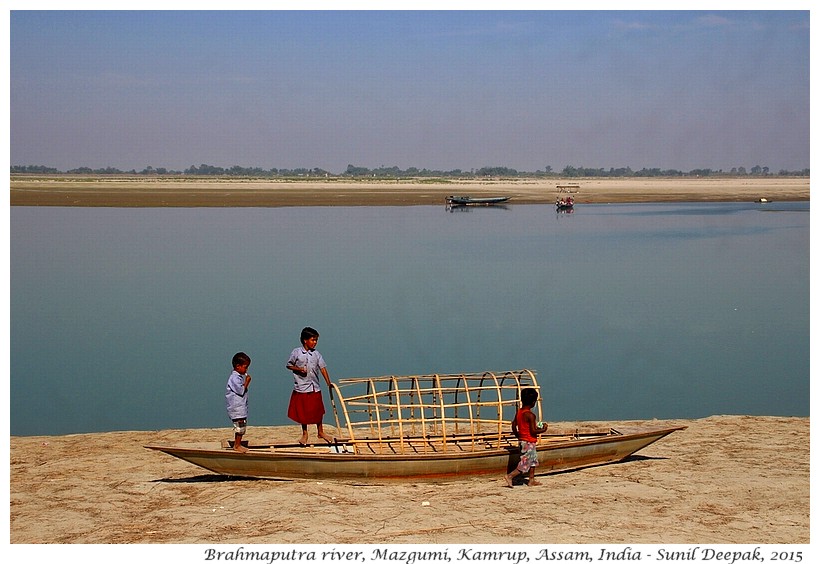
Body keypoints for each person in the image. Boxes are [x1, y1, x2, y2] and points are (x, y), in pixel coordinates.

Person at [285, 327, 333, 446]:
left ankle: (320, 431)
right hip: (302, 387)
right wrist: (299, 369)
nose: (315, 342)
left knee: (318, 410)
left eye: (316, 340)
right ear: (305, 340)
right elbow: (289, 365)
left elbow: (323, 368)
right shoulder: (296, 352)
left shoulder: (316, 354)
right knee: (303, 412)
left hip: (315, 386)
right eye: (313, 340)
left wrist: (328, 382)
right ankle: (305, 433)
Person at [504, 387, 549, 487]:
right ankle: (510, 476)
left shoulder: (519, 412)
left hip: (523, 441)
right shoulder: (530, 415)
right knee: (525, 463)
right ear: (533, 402)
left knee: (532, 460)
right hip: (528, 442)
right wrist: (543, 429)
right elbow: (533, 431)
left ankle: (531, 480)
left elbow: (514, 425)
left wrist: (517, 435)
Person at [225, 351, 252, 453]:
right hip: (236, 408)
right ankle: (237, 445)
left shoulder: (238, 377)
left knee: (242, 426)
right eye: (245, 367)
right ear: (238, 366)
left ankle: (238, 444)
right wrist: (247, 382)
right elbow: (240, 391)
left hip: (240, 407)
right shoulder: (234, 378)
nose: (246, 369)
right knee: (240, 427)